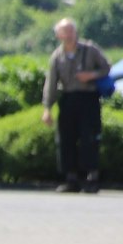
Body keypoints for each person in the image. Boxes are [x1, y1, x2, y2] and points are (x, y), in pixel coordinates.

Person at [42, 18, 110, 194]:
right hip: (68, 99)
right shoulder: (57, 56)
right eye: (65, 31)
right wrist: (47, 109)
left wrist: (91, 75)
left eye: (71, 30)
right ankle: (71, 179)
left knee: (90, 137)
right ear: (58, 35)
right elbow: (51, 83)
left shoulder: (90, 50)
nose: (69, 35)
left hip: (89, 98)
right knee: (66, 139)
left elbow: (106, 67)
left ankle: (92, 178)